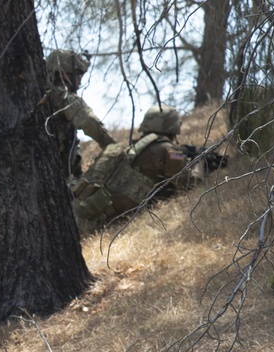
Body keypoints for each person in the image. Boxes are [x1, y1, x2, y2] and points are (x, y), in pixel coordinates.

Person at [72, 104, 206, 234]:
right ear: (173, 127)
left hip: (84, 213)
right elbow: (189, 184)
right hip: (104, 222)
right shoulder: (168, 150)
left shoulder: (124, 149)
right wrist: (200, 161)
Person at [44, 49, 116, 183]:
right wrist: (112, 146)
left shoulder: (45, 94)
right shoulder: (62, 96)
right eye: (78, 75)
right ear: (65, 74)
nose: (80, 81)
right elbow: (88, 121)